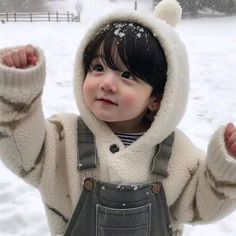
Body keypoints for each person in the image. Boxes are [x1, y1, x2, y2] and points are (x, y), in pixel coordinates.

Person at [0, 0, 236, 235]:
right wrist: (16, 93)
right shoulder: (62, 138)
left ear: (156, 98)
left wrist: (225, 168)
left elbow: (202, 206)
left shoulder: (177, 153)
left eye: (126, 75)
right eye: (98, 68)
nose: (107, 83)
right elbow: (24, 154)